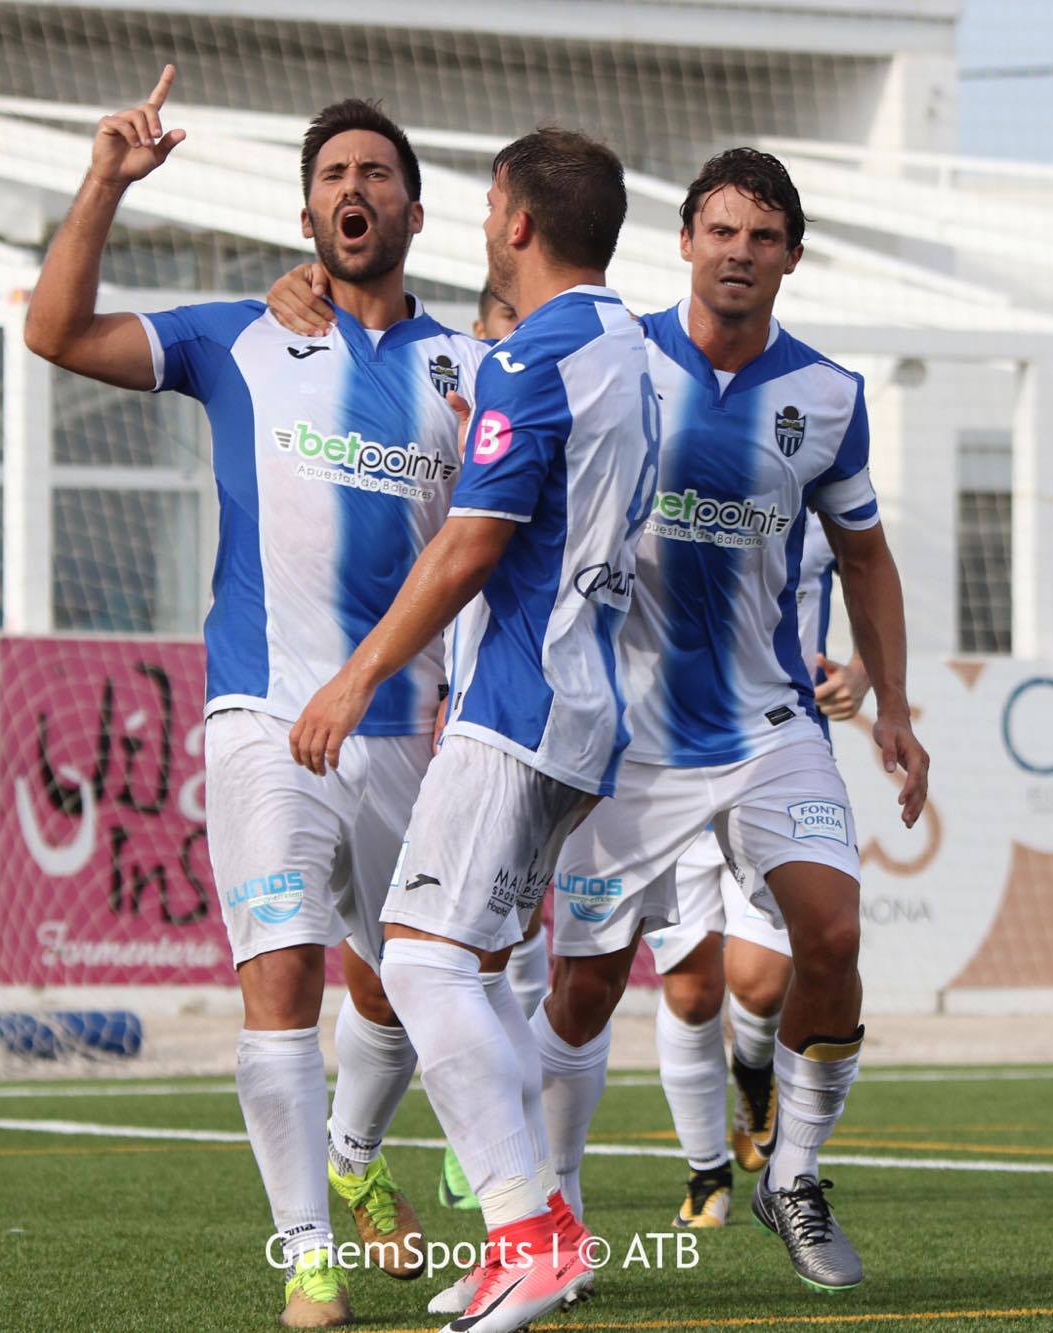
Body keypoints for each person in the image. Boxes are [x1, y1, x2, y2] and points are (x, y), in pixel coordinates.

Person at [23, 69, 487, 1328]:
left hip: (412, 732)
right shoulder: (240, 334)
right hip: (264, 719)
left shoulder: (471, 368)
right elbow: (56, 333)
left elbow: (501, 544)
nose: (353, 188)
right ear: (307, 216)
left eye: (375, 172)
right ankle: (309, 1257)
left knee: (407, 990)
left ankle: (354, 1157)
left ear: (415, 211)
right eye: (332, 175)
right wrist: (105, 182)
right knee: (280, 978)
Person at [532, 147, 928, 1295]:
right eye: (721, 231)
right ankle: (552, 1215)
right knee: (585, 989)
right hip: (626, 737)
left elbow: (865, 555)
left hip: (768, 724)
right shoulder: (612, 356)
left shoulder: (830, 396)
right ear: (685, 242)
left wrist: (894, 706)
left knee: (832, 937)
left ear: (791, 255)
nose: (739, 253)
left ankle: (790, 1173)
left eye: (762, 236)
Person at [286, 126, 654, 1333]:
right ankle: (543, 1230)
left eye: (493, 206)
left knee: (421, 963)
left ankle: (528, 1234)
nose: (487, 224)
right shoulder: (628, 348)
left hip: (516, 702)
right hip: (583, 704)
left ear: (517, 222)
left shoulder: (534, 357)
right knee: (481, 970)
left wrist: (357, 678)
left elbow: (470, 545)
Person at [266, 277, 544, 1217]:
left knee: (472, 963)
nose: (521, 344)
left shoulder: (559, 403)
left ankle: (484, 1181)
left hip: (503, 722)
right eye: (508, 327)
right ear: (481, 332)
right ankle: (501, 1196)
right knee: (400, 968)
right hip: (379, 714)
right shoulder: (445, 391)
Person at [646, 531, 871, 1229]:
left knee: (763, 983)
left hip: (776, 759)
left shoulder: (811, 479)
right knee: (690, 990)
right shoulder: (651, 475)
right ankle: (705, 1172)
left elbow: (872, 568)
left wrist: (864, 674)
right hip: (664, 760)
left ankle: (753, 1069)